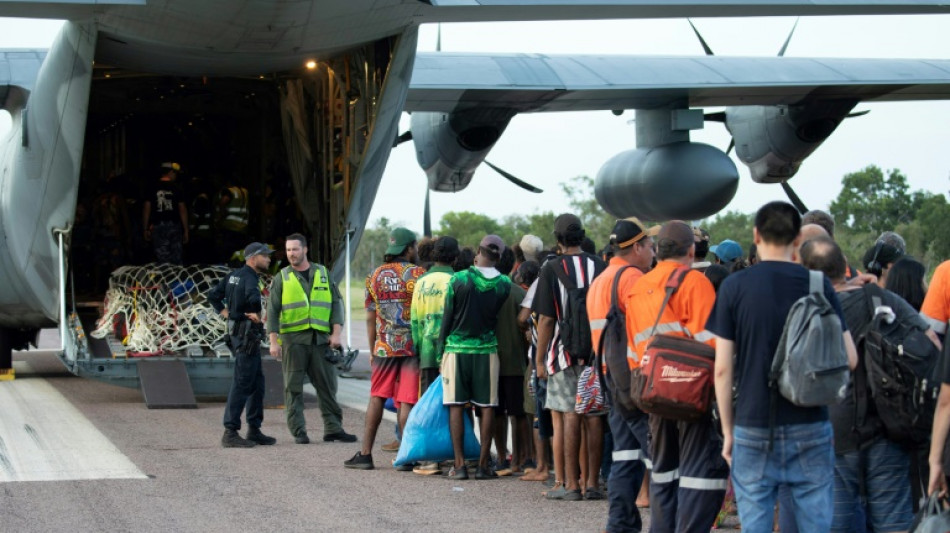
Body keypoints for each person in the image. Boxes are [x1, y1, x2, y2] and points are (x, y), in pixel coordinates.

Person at [708, 201, 858, 532]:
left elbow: (722, 369)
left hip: (752, 423)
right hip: (810, 424)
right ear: (797, 240)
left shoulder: (735, 287)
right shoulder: (818, 284)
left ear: (756, 235)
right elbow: (850, 358)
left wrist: (728, 431)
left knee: (756, 523)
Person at [801, 236, 926, 533]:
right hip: (889, 424)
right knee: (893, 522)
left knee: (837, 522)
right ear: (845, 265)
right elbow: (928, 343)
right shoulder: (880, 298)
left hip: (832, 430)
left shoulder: (806, 310)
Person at [626, 221, 726, 533]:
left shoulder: (638, 287)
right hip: (690, 394)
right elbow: (712, 343)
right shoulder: (694, 282)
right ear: (691, 251)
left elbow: (632, 349)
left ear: (657, 250)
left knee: (663, 473)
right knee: (698, 475)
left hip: (652, 391)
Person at [587, 217, 657, 532]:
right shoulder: (631, 278)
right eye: (650, 245)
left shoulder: (601, 279)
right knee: (659, 455)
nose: (653, 251)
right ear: (637, 247)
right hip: (632, 379)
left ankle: (620, 524)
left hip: (611, 378)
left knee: (626, 456)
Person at [533, 213, 607, 501]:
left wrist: (540, 360)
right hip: (595, 354)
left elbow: (546, 320)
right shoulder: (599, 265)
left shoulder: (551, 268)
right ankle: (593, 484)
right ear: (582, 235)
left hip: (562, 355)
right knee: (594, 416)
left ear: (558, 239)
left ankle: (571, 485)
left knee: (569, 414)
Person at [345, 227, 425, 470]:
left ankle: (365, 454)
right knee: (407, 400)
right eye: (414, 247)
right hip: (412, 347)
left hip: (384, 347)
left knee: (377, 397)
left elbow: (370, 318)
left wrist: (372, 349)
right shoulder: (419, 274)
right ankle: (406, 457)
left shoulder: (374, 276)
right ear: (408, 248)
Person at [266, 233, 355, 446]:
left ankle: (333, 429)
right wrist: (273, 341)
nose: (291, 254)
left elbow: (336, 304)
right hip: (293, 341)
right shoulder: (282, 277)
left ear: (305, 250)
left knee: (328, 386)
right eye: (288, 250)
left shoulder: (323, 273)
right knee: (293, 388)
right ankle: (299, 432)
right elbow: (272, 311)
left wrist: (336, 333)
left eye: (295, 249)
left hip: (320, 341)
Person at [439, 235, 512, 480]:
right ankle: (483, 465)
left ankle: (459, 465)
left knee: (456, 405)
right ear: (498, 258)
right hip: (486, 350)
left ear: (477, 253)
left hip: (456, 350)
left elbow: (447, 318)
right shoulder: (504, 284)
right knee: (487, 406)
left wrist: (440, 353)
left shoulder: (458, 279)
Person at [208, 242, 277, 448]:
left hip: (238, 334)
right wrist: (255, 313)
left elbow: (213, 296)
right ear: (253, 258)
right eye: (265, 256)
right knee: (242, 382)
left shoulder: (233, 276)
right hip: (247, 336)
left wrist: (227, 313)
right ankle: (230, 432)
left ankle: (254, 429)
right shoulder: (250, 278)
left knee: (257, 383)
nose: (269, 259)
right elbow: (253, 299)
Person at [408, 235, 459, 475]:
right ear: (455, 257)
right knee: (454, 405)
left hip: (428, 353)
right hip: (453, 353)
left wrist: (419, 349)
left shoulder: (421, 282)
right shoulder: (458, 280)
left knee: (429, 404)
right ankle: (455, 456)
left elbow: (415, 320)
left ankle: (430, 460)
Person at [142, 162, 188, 264]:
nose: (176, 176)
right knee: (176, 258)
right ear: (170, 172)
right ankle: (175, 273)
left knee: (162, 258)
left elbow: (146, 208)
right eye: (175, 173)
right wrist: (185, 229)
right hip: (174, 226)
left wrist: (145, 228)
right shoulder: (176, 188)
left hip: (158, 226)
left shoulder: (152, 187)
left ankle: (165, 273)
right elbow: (182, 209)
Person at [218, 182, 251, 257]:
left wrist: (222, 214)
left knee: (228, 253)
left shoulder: (230, 191)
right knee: (239, 254)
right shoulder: (245, 191)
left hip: (230, 227)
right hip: (243, 228)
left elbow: (223, 201)